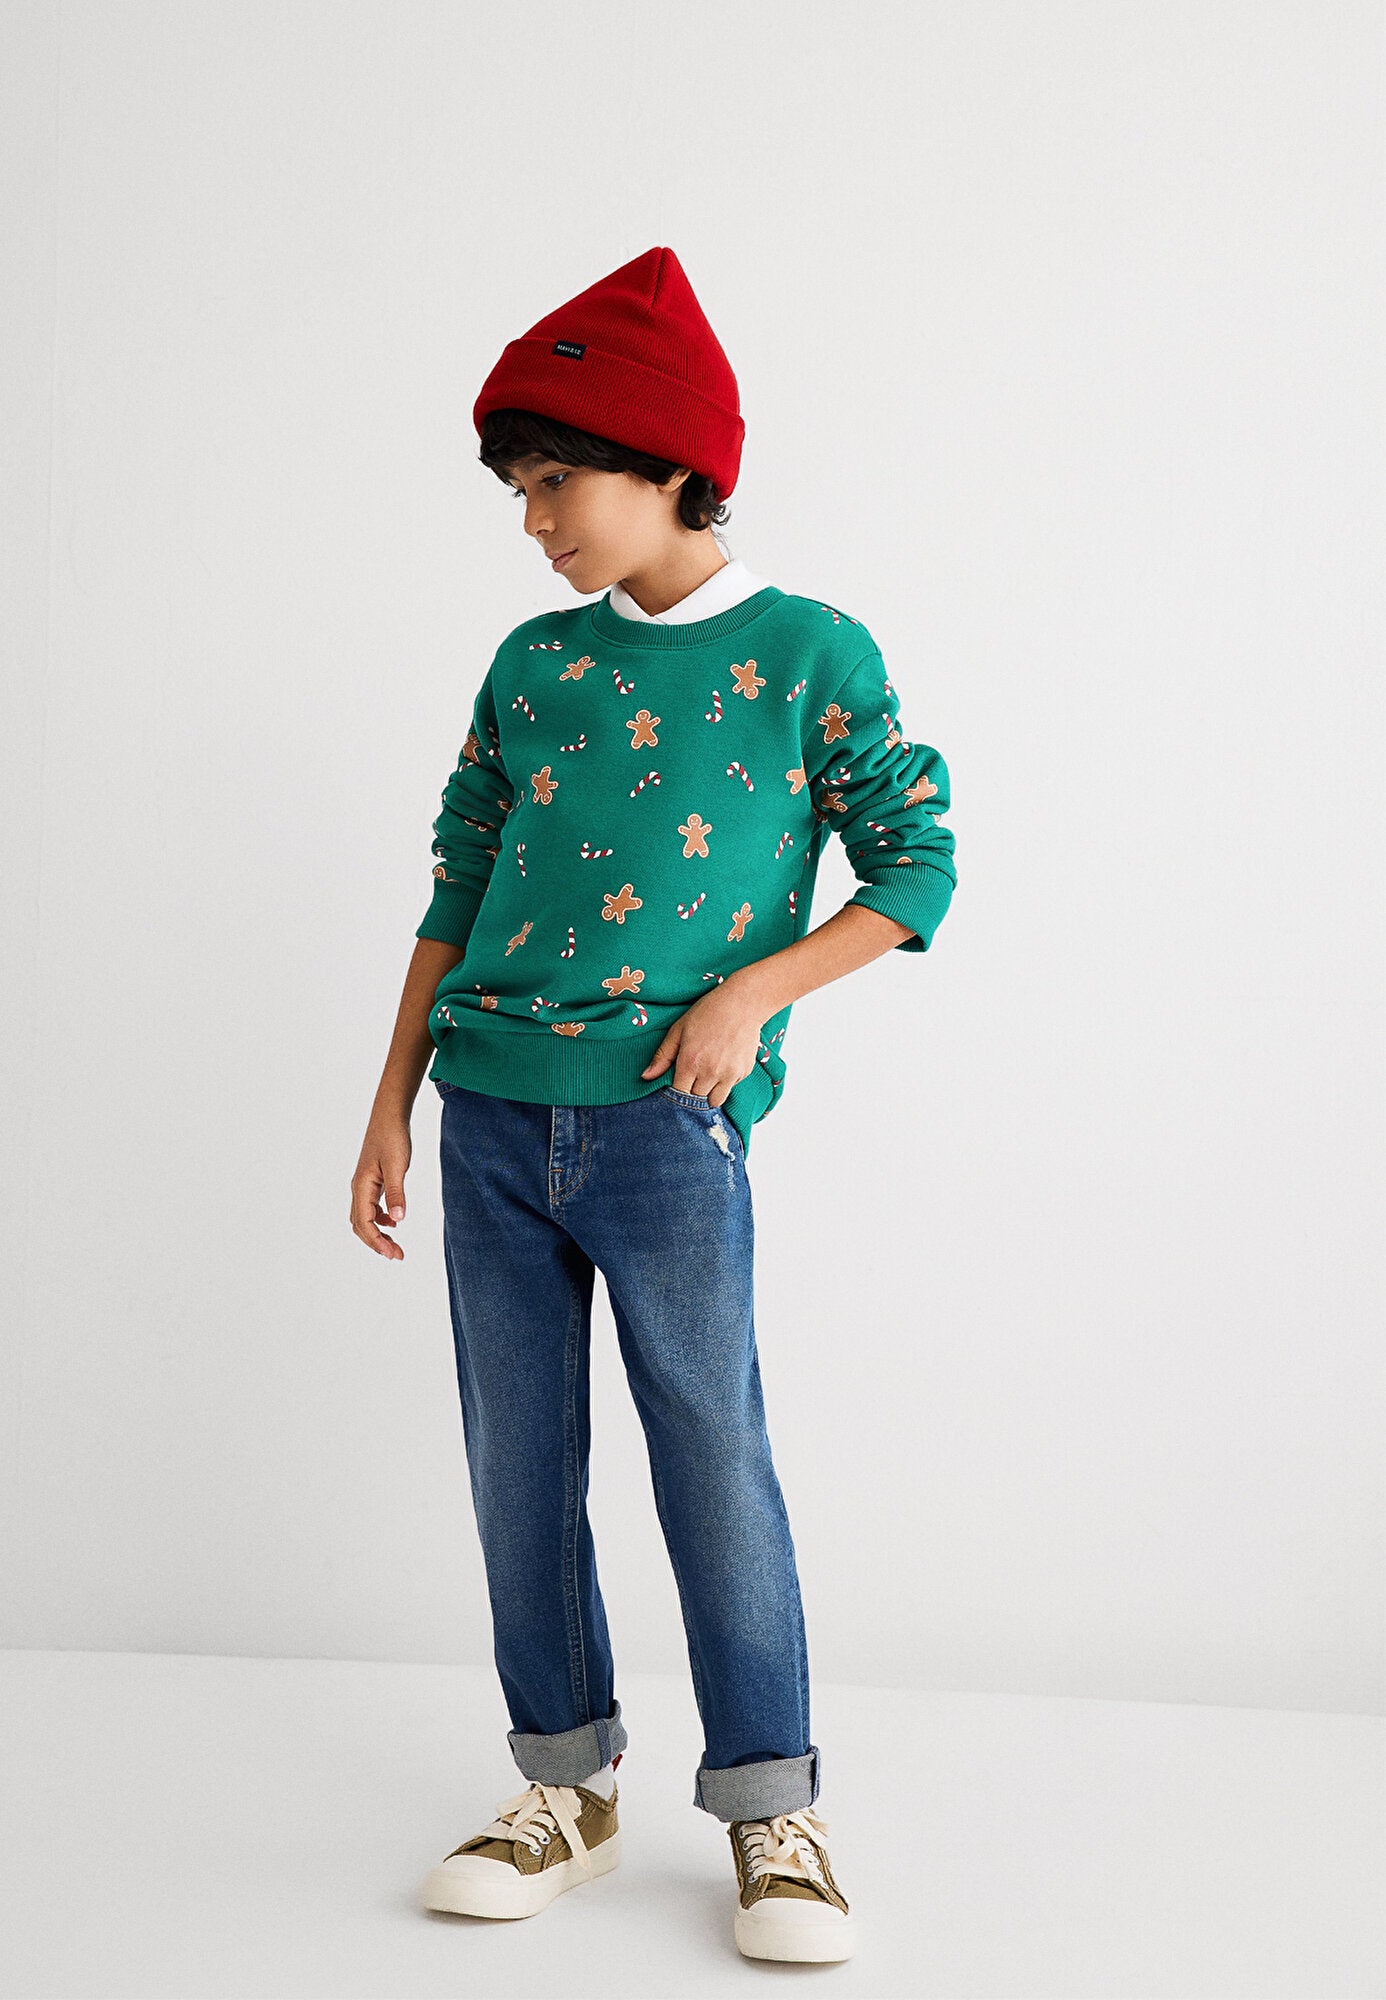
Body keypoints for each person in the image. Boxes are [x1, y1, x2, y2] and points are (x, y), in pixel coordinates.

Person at [350, 244, 957, 1965]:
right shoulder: (531, 665)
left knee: (709, 1453)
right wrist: (389, 1100)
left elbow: (914, 866)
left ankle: (772, 1805)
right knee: (517, 1463)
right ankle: (566, 1789)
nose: (534, 520)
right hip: (487, 1110)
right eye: (520, 490)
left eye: (557, 480)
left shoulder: (805, 653)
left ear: (671, 464)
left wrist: (747, 996)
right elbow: (456, 886)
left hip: (665, 1130)